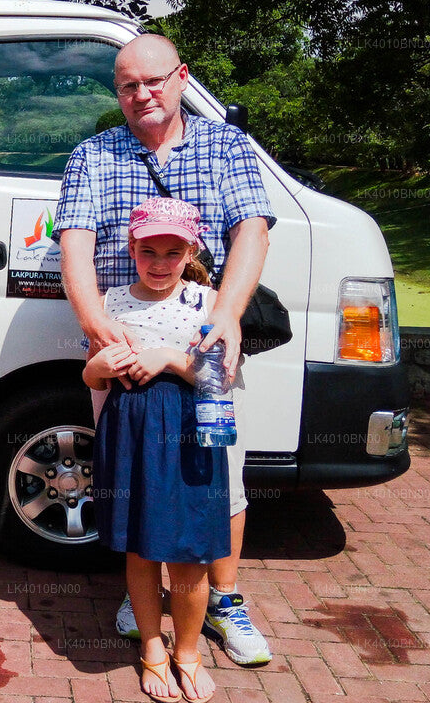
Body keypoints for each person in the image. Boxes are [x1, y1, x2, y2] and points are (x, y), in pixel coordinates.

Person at [54, 33, 275, 666]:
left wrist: (227, 315)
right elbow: (74, 241)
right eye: (127, 85)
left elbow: (251, 230)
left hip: (203, 337)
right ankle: (146, 594)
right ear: (116, 91)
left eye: (153, 81)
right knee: (134, 476)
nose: (141, 94)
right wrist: (98, 328)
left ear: (181, 77)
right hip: (121, 343)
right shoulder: (94, 153)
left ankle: (224, 601)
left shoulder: (225, 145)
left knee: (220, 476)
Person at [85, 198, 225, 703]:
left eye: (172, 251)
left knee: (191, 552)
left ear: (190, 251)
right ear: (132, 249)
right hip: (131, 431)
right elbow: (89, 374)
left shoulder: (208, 303)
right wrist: (103, 365)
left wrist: (167, 357)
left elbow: (224, 376)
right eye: (149, 251)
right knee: (142, 550)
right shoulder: (113, 302)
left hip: (189, 432)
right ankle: (152, 649)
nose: (160, 262)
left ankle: (188, 652)